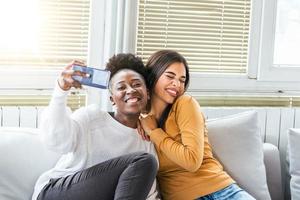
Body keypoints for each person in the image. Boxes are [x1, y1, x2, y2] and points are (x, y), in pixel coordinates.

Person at [32, 53, 160, 200]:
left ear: (148, 94)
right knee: (145, 161)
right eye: (121, 87)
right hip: (55, 193)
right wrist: (61, 91)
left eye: (137, 84)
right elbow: (57, 142)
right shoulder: (92, 117)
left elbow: (147, 194)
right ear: (112, 99)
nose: (130, 90)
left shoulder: (146, 139)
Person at [139, 50, 255, 200]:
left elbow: (192, 161)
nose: (177, 84)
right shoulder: (142, 122)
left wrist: (154, 132)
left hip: (220, 193)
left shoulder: (185, 104)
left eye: (182, 80)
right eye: (170, 76)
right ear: (153, 76)